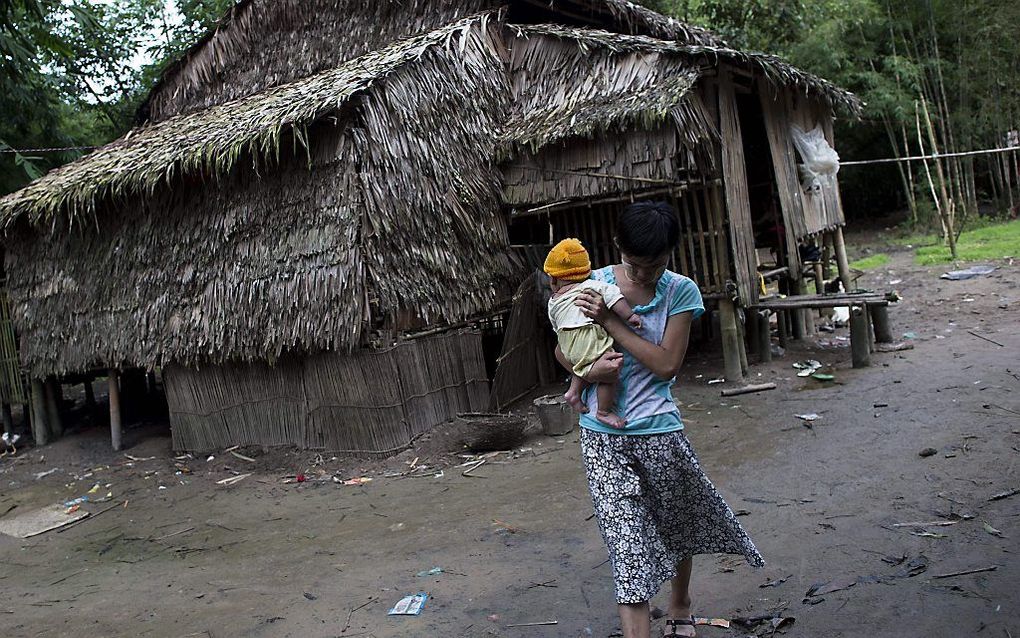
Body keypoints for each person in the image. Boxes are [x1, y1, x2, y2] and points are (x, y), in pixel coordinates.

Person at [556, 201, 764, 638]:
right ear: (618, 248)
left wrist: (611, 323)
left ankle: (680, 602)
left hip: (660, 431)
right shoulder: (590, 285)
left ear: (672, 253)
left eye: (657, 265)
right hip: (603, 435)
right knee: (626, 545)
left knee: (676, 523)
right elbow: (563, 349)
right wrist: (590, 372)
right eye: (636, 266)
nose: (646, 275)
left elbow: (666, 364)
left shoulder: (680, 291)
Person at [544, 237, 641, 429]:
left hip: (567, 344)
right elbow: (614, 297)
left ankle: (573, 392)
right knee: (609, 371)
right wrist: (630, 316)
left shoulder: (553, 300)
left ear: (554, 279)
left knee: (584, 363)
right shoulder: (591, 286)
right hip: (587, 337)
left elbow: (555, 324)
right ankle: (604, 411)